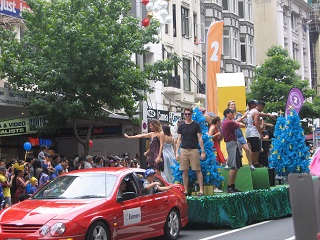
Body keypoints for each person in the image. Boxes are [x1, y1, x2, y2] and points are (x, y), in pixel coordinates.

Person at [175, 107, 206, 196]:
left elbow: (200, 138)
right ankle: (185, 190)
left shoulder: (196, 125)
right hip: (184, 150)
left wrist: (203, 151)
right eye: (186, 114)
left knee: (197, 169)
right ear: (184, 115)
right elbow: (179, 139)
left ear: (192, 114)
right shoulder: (181, 126)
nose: (187, 116)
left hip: (194, 150)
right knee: (184, 170)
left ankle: (201, 190)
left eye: (189, 114)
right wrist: (177, 152)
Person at [221, 108, 246, 193]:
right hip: (232, 144)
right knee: (234, 166)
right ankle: (229, 186)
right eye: (231, 114)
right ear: (227, 114)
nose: (233, 115)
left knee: (236, 166)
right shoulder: (229, 122)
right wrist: (240, 120)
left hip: (231, 144)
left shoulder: (225, 122)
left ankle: (232, 185)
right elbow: (242, 125)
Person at [227, 100, 254, 170]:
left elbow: (244, 123)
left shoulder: (239, 114)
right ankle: (227, 164)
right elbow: (228, 124)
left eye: (234, 104)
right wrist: (241, 119)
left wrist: (242, 120)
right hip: (232, 136)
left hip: (239, 135)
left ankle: (251, 164)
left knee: (247, 149)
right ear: (228, 107)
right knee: (231, 151)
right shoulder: (227, 115)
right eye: (231, 105)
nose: (233, 106)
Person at [246, 100, 265, 168]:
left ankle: (254, 163)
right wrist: (260, 133)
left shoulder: (250, 112)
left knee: (254, 148)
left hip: (249, 132)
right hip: (253, 132)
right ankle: (253, 163)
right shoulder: (256, 112)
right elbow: (256, 123)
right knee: (255, 149)